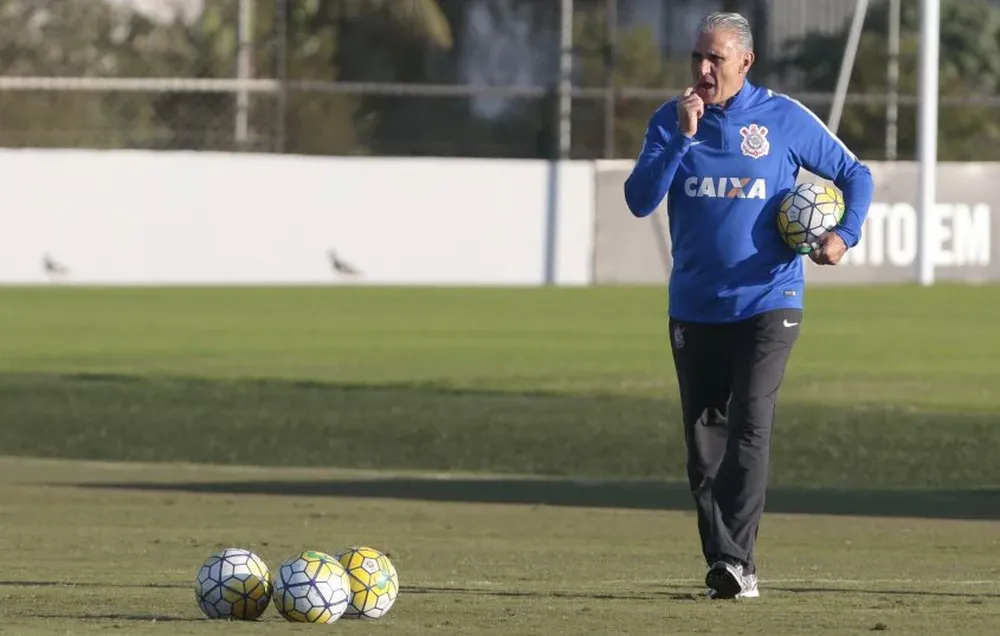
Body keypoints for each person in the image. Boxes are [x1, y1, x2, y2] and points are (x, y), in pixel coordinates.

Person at [623, 12, 873, 600]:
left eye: (715, 58)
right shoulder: (671, 119)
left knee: (752, 422)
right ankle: (726, 562)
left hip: (769, 299)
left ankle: (737, 561)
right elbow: (639, 200)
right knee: (703, 444)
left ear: (745, 61)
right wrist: (681, 137)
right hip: (694, 305)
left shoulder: (783, 117)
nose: (703, 68)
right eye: (697, 57)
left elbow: (855, 174)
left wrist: (843, 236)